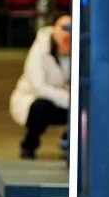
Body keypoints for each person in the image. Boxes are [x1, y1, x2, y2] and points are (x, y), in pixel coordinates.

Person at [10, 14, 71, 159]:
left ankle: (69, 142)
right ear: (54, 30)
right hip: (37, 98)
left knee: (86, 108)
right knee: (41, 107)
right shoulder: (40, 51)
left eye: (71, 30)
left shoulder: (79, 51)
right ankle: (29, 145)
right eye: (63, 29)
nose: (67, 34)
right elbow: (39, 87)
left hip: (65, 99)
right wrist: (69, 98)